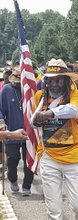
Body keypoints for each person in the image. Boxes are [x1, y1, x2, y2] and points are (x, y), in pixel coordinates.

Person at [31, 58, 78, 220]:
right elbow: (35, 123)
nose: (55, 84)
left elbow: (73, 110)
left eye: (59, 80)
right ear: (46, 82)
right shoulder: (39, 97)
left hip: (74, 157)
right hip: (49, 157)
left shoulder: (76, 94)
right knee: (54, 212)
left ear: (66, 80)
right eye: (51, 80)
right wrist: (37, 119)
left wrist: (49, 113)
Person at [0, 65, 34, 196]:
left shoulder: (31, 89)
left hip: (29, 131)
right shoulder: (7, 90)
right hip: (12, 130)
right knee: (13, 159)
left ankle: (27, 186)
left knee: (29, 160)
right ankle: (13, 180)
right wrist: (2, 122)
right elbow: (1, 110)